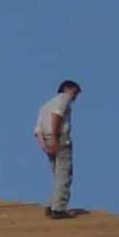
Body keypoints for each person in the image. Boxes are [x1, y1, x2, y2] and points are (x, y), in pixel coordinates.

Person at [35, 80, 80, 216]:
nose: (74, 97)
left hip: (47, 140)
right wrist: (55, 137)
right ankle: (58, 208)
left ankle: (52, 205)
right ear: (67, 89)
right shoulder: (63, 98)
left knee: (58, 174)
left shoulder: (45, 106)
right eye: (74, 93)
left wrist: (45, 147)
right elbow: (57, 115)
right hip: (59, 137)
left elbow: (38, 131)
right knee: (64, 174)